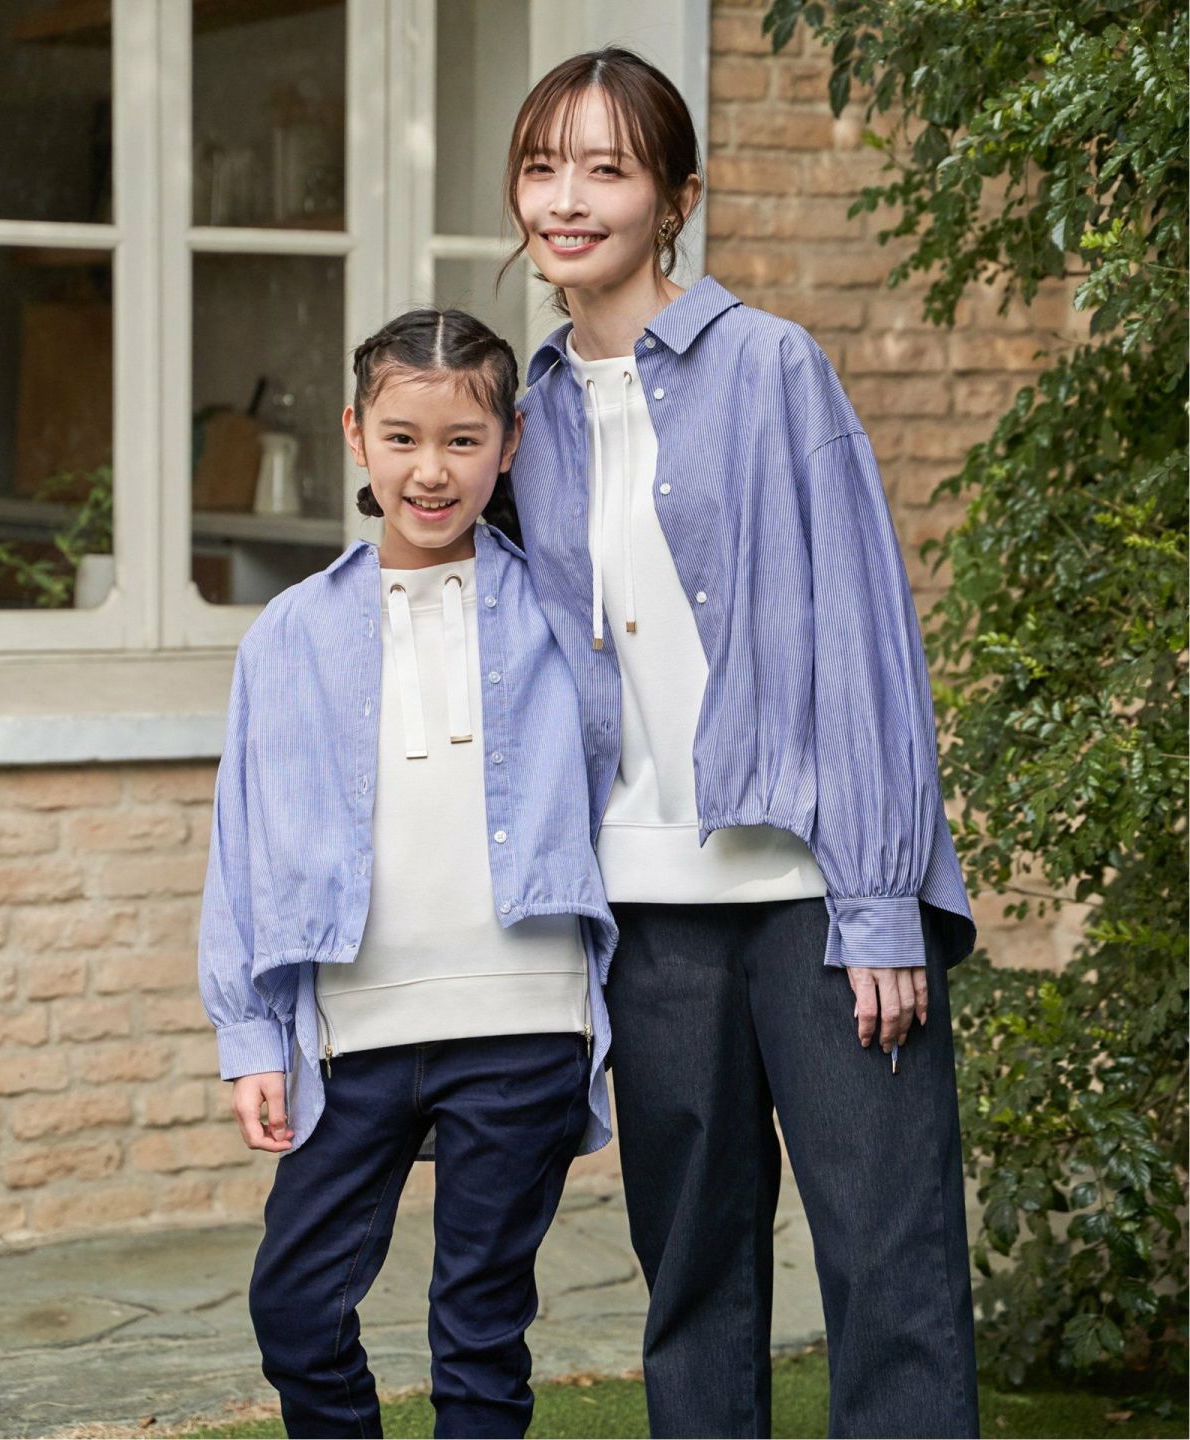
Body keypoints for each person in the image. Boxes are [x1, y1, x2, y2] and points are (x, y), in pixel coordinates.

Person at [499, 46, 981, 1440]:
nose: (566, 199)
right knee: (693, 1281)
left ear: (676, 199)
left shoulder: (772, 369)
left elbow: (864, 637)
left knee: (888, 1265)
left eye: (606, 169)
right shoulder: (528, 418)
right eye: (541, 167)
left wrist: (880, 902)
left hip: (816, 897)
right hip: (648, 908)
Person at [196, 308, 617, 1440]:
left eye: (463, 441)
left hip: (525, 1025)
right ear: (355, 435)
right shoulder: (289, 633)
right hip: (352, 1036)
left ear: (509, 445)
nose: (432, 471)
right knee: (296, 1307)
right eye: (403, 438)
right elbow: (243, 841)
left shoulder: (565, 613)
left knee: (478, 1329)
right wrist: (251, 1036)